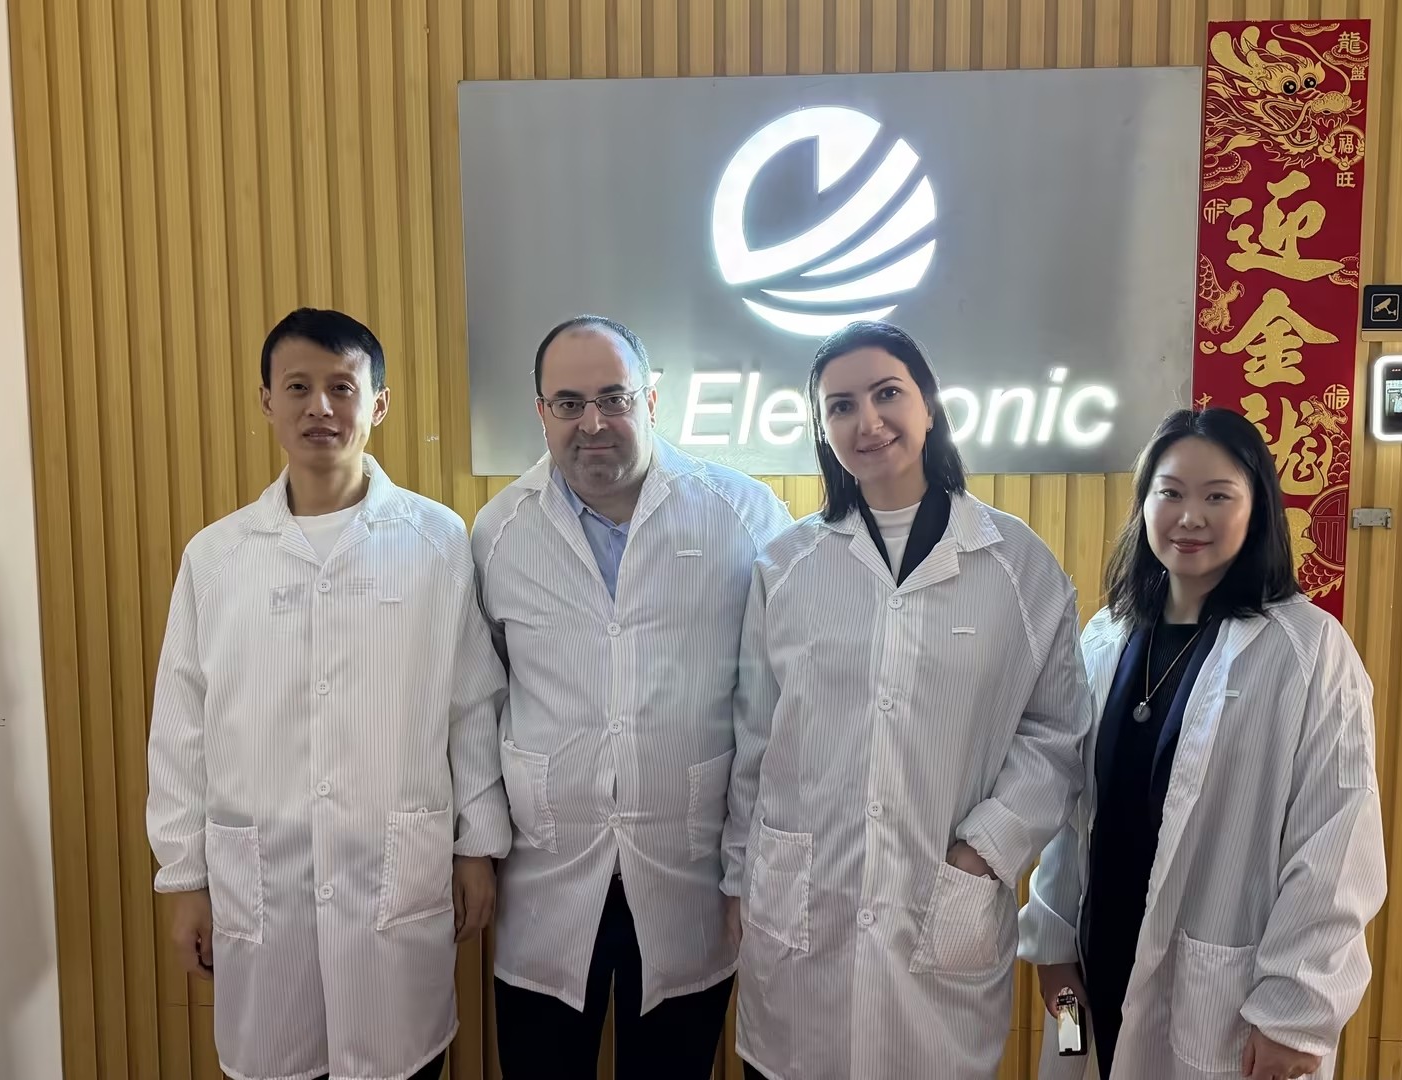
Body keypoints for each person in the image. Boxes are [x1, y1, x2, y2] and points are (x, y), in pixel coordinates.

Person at [146, 308, 508, 1080]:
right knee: (278, 1059)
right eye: (298, 387)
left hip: (395, 876)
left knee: (399, 1059)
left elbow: (472, 705)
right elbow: (180, 727)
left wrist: (477, 846)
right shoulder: (216, 557)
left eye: (342, 387)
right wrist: (184, 877)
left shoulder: (436, 539)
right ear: (266, 401)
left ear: (378, 404)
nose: (320, 407)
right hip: (260, 884)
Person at [724, 321, 1091, 1080]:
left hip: (944, 908)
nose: (868, 421)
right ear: (823, 430)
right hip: (802, 914)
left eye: (887, 393)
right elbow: (755, 741)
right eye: (841, 406)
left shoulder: (1017, 566)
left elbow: (1057, 733)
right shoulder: (786, 566)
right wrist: (741, 881)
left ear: (928, 405)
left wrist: (984, 851)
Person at [1018, 407, 1388, 1080]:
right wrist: (1051, 947)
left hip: (1228, 999)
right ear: (1144, 504)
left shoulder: (1306, 650)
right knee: (1077, 1062)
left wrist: (1294, 1016)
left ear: (1257, 509)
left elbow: (1337, 843)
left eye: (1218, 496)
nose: (1190, 517)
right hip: (1086, 975)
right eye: (1171, 493)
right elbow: (1070, 813)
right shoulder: (1108, 634)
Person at [472, 316, 793, 1078]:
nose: (592, 423)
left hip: (689, 871)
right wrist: (475, 845)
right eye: (569, 403)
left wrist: (754, 866)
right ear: (541, 411)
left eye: (613, 398)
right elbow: (481, 698)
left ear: (651, 400)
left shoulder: (741, 515)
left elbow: (777, 704)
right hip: (546, 874)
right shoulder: (499, 531)